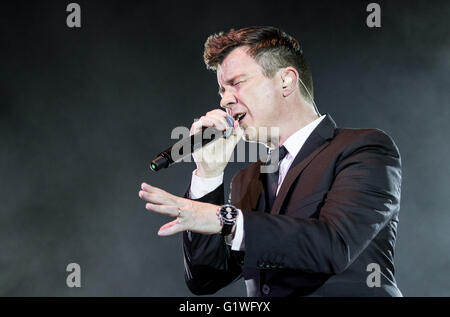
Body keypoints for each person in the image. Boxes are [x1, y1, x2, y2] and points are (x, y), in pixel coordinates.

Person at [138, 26, 402, 297]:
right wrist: (209, 174)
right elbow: (206, 280)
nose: (225, 100)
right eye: (221, 90)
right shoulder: (247, 180)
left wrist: (226, 220)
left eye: (237, 83)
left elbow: (334, 246)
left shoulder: (364, 149)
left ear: (286, 81)